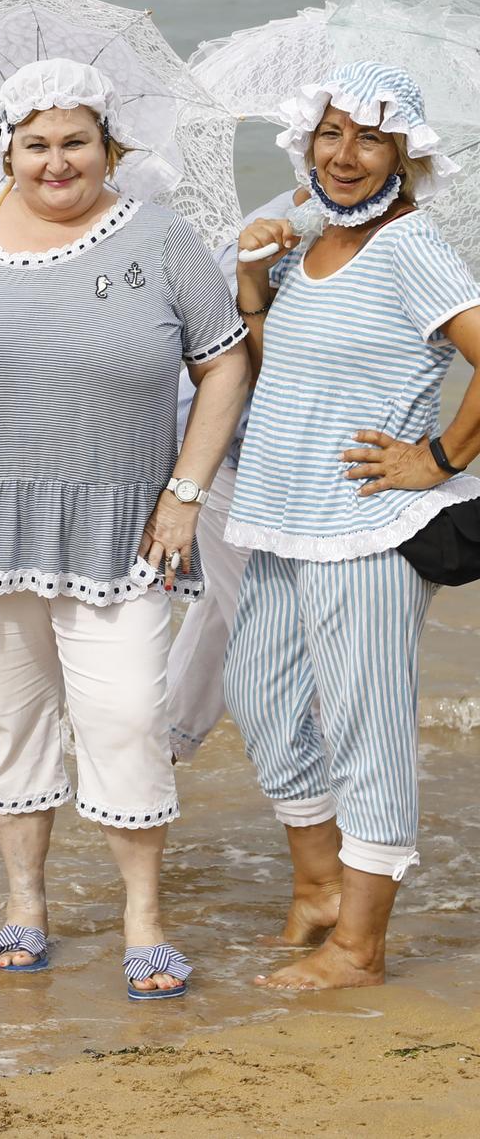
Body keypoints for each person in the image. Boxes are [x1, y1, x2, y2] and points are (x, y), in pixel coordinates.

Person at [0, 59, 249, 1000]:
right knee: (10, 720)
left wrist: (187, 491)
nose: (56, 161)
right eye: (35, 143)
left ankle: (143, 916)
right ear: (6, 150)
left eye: (75, 140)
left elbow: (225, 364)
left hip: (127, 523)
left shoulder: (162, 237)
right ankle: (25, 903)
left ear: (108, 144)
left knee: (124, 718)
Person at [223, 62, 480, 989]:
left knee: (369, 729)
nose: (344, 154)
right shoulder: (311, 240)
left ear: (404, 158)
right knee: (256, 692)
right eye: (330, 133)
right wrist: (255, 281)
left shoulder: (411, 246)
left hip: (368, 529)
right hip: (286, 517)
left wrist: (441, 458)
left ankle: (361, 947)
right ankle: (320, 887)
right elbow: (278, 366)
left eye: (369, 138)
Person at [164, 185, 307, 762]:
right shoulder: (274, 230)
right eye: (329, 135)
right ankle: (322, 810)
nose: (346, 156)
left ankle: (149, 758)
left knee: (227, 613)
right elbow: (228, 362)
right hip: (232, 453)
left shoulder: (393, 232)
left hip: (288, 462)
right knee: (278, 629)